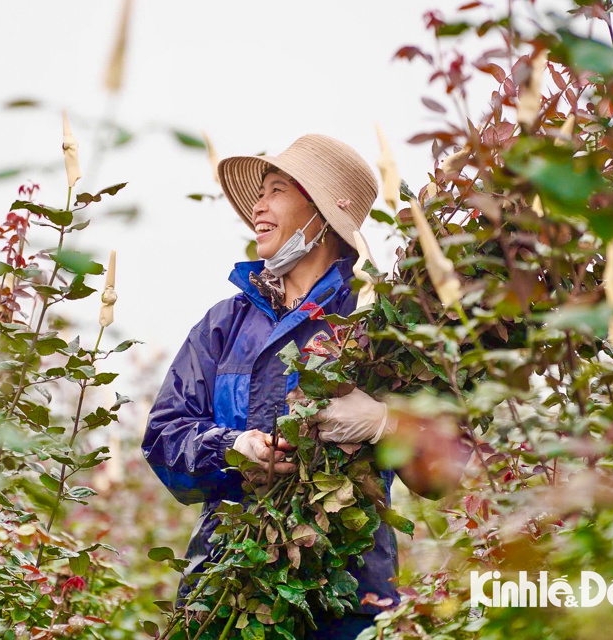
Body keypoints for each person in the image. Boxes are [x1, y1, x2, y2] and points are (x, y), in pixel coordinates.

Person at [141, 133, 467, 638]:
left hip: (345, 598)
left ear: (321, 214)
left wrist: (386, 423)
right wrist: (233, 447)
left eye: (276, 190)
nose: (258, 204)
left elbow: (446, 469)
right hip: (226, 588)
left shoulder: (379, 323)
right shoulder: (224, 325)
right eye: (259, 192)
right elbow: (164, 437)